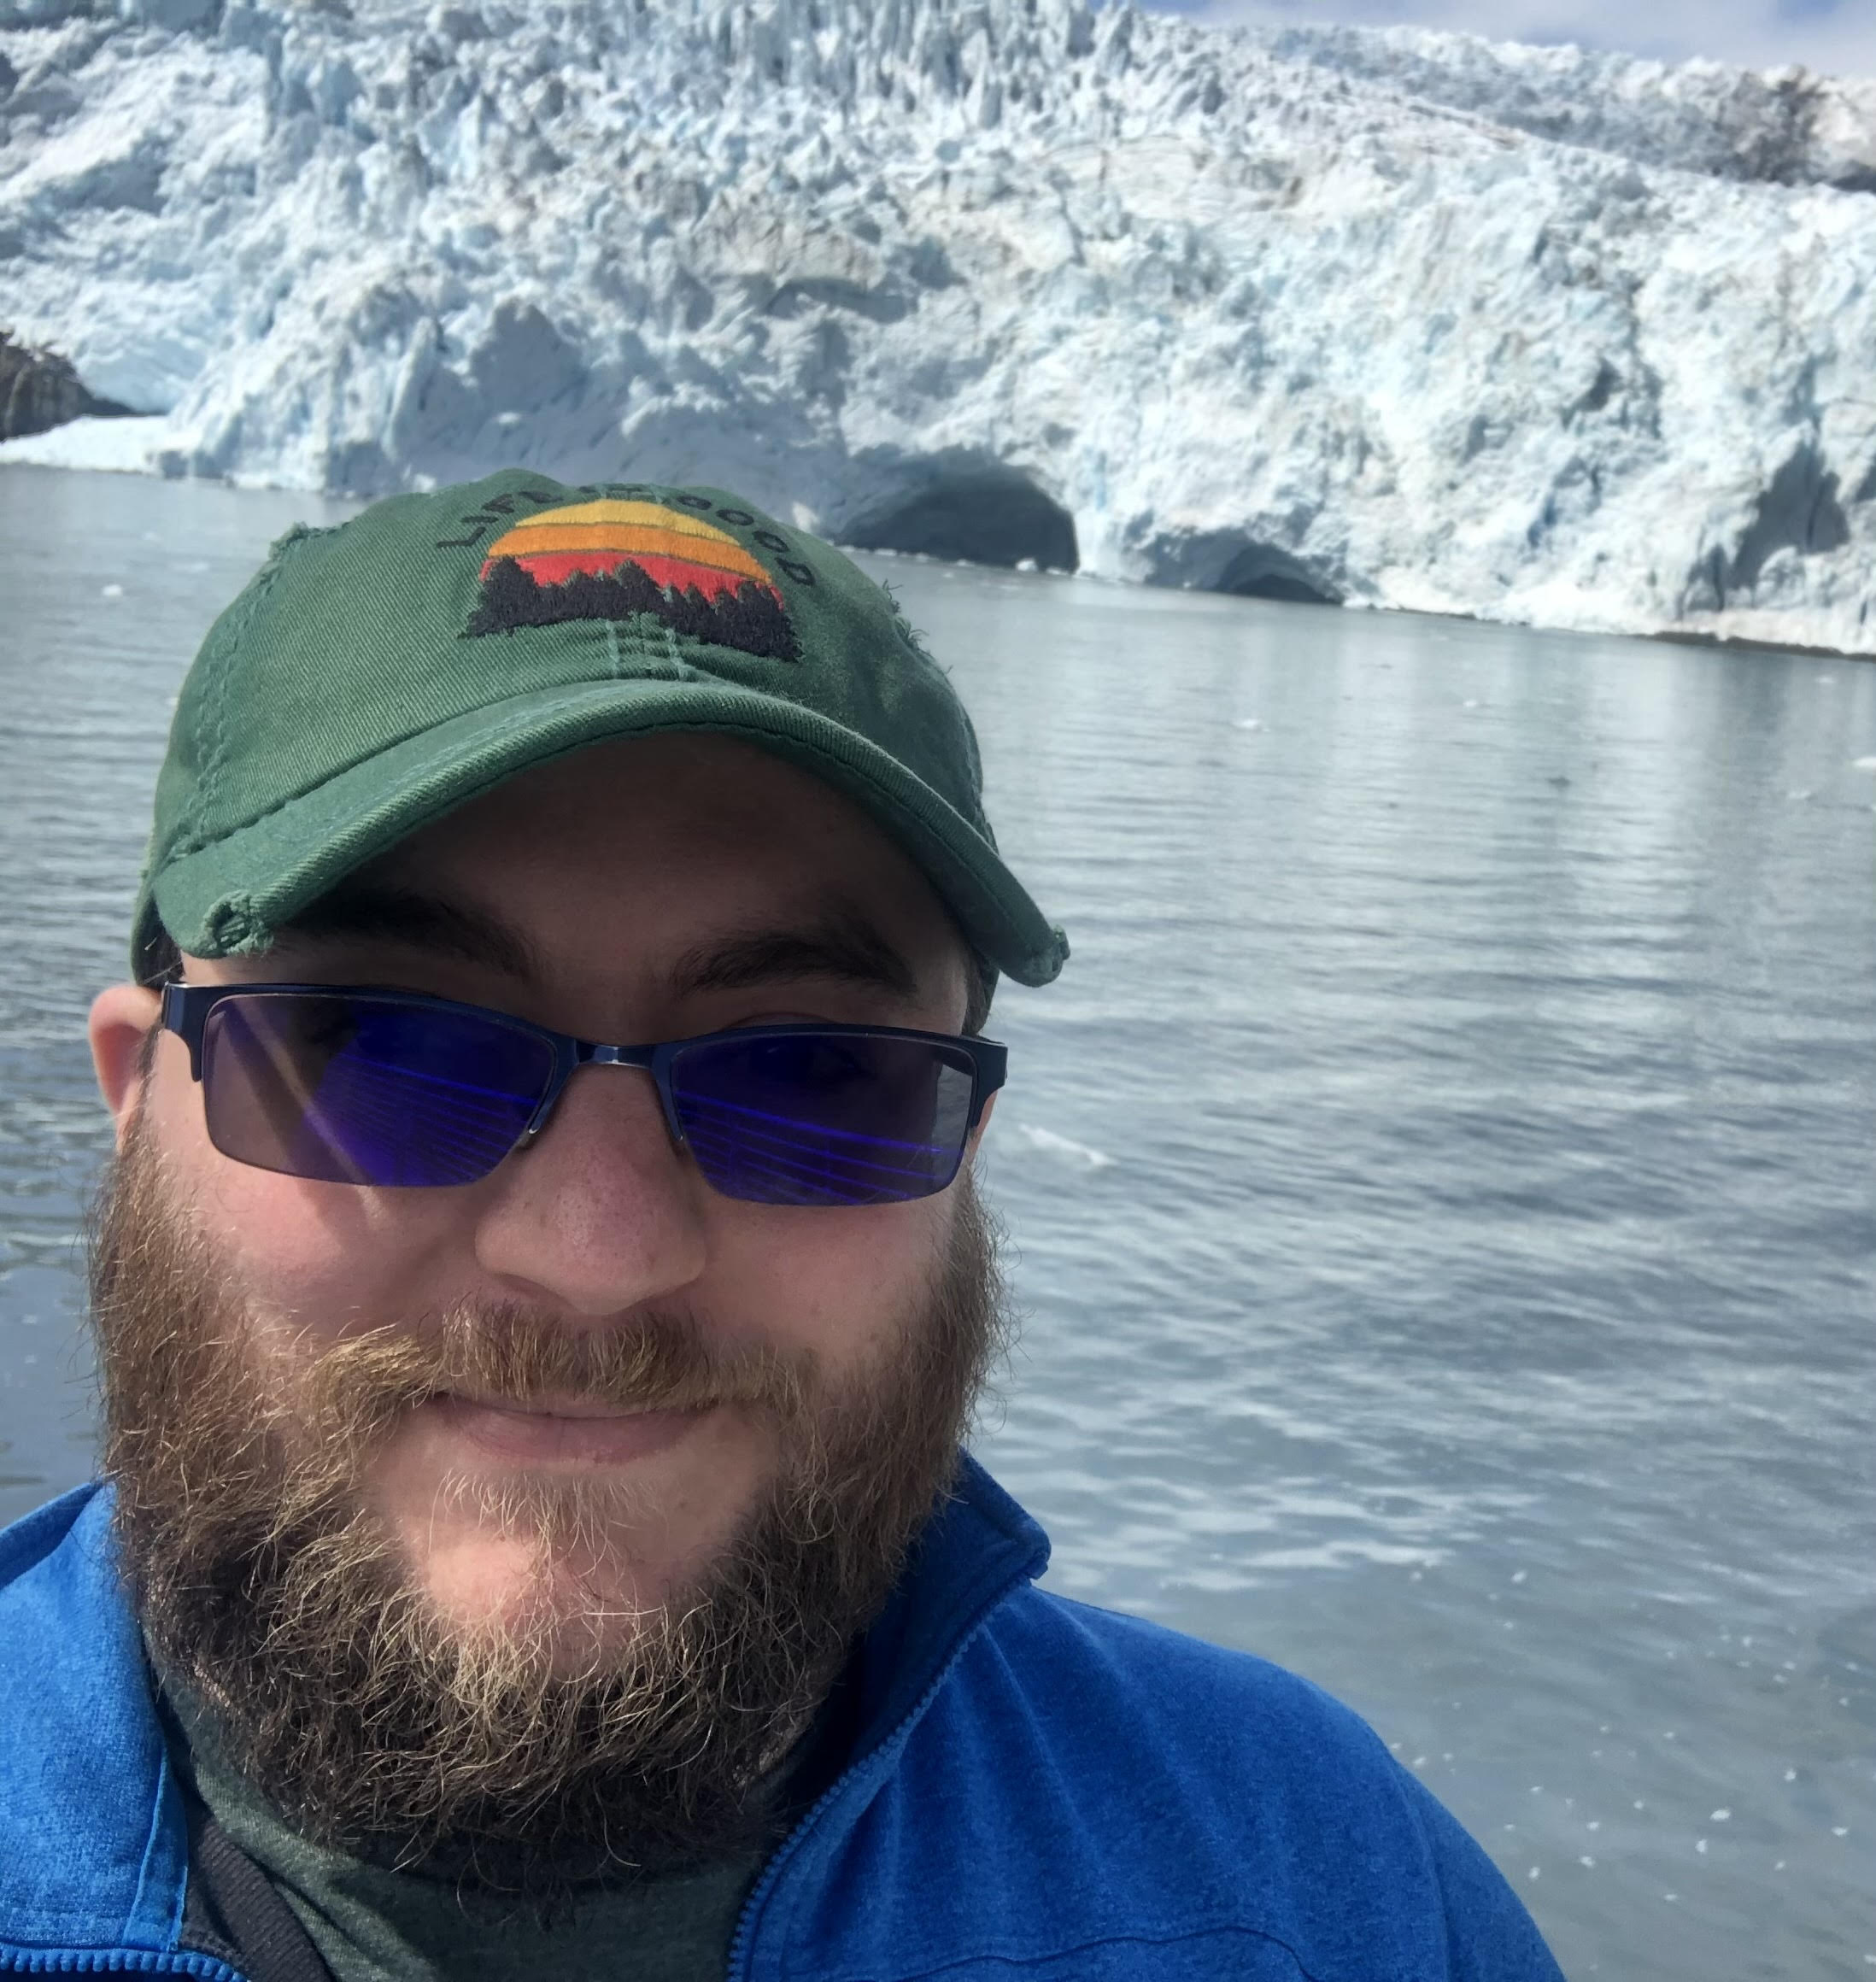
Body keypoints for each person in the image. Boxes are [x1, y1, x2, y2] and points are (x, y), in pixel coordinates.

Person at [0, 473, 1565, 1982]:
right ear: (139, 1101)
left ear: (961, 1158)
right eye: (386, 1055)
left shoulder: (1319, 1891)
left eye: (814, 1079)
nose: (599, 1252)